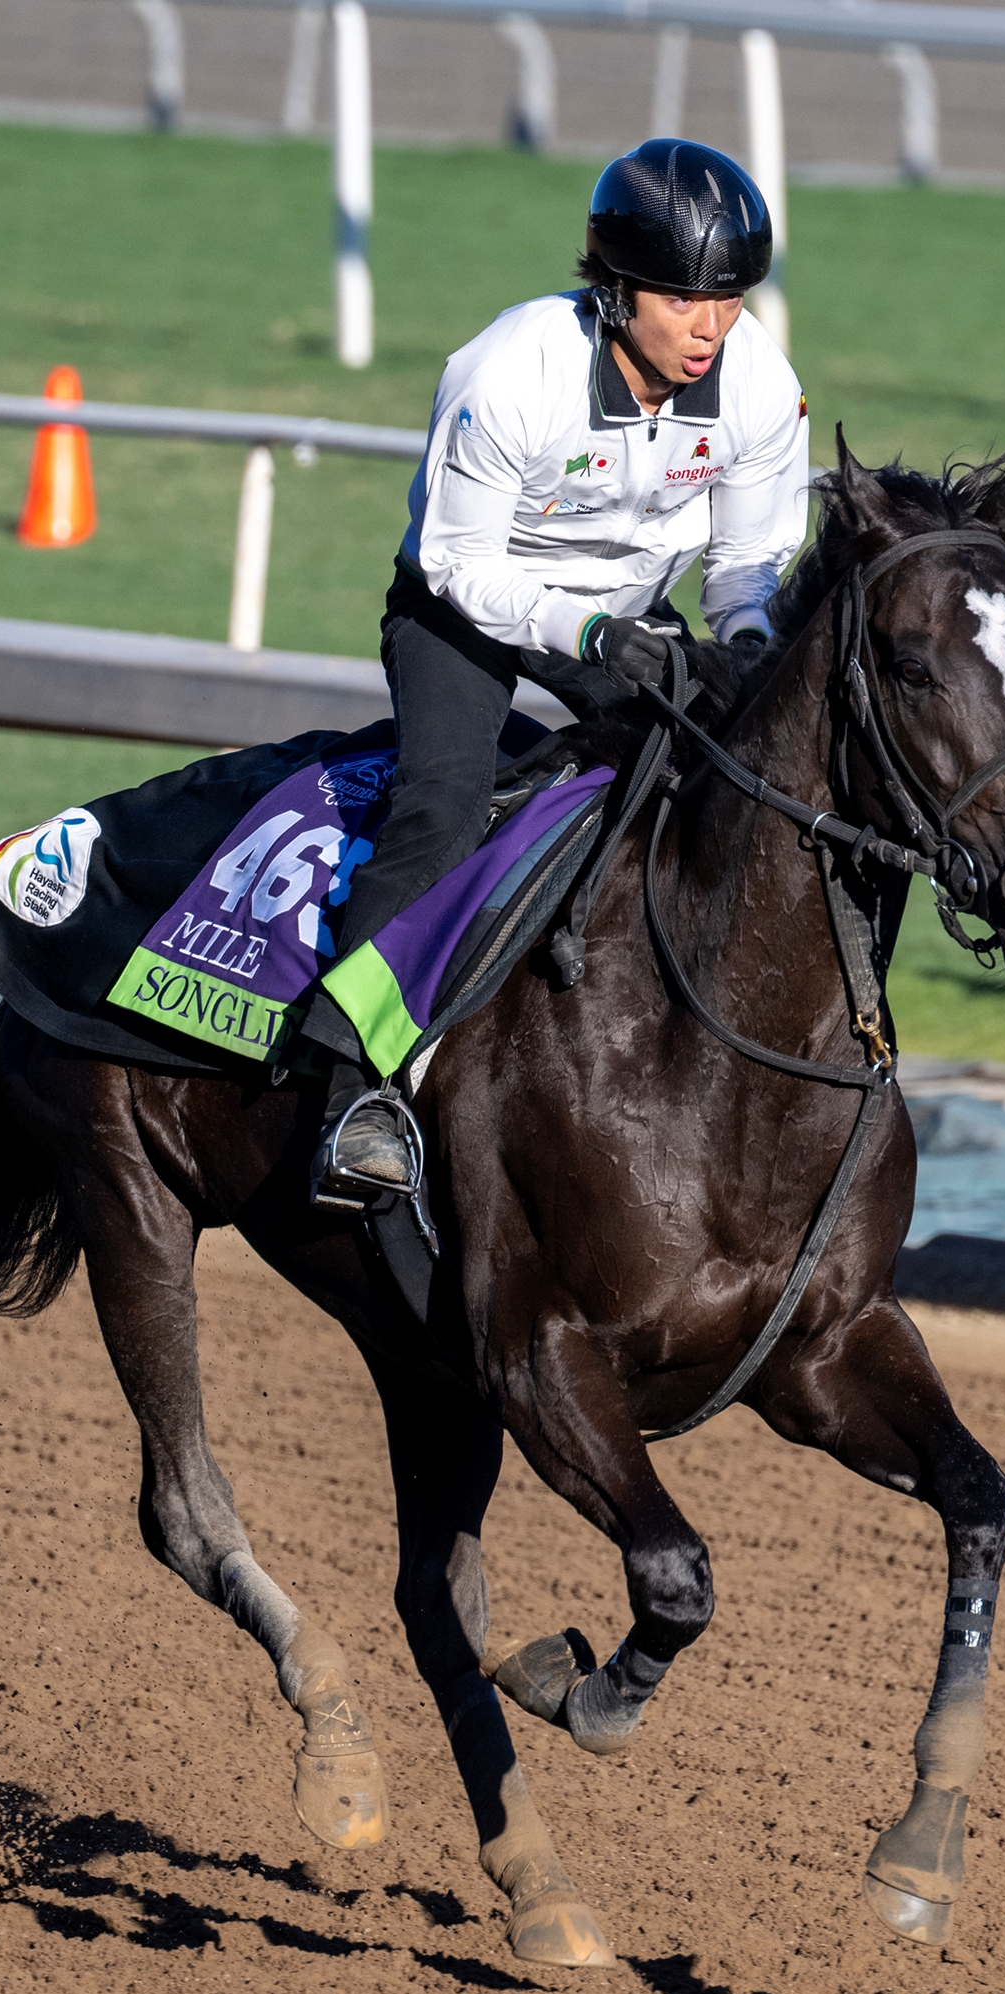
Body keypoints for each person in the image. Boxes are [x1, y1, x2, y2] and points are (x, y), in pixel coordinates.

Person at [308, 136, 811, 1211]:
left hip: (628, 616)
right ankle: (346, 1084)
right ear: (616, 289)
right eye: (682, 300)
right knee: (441, 812)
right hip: (463, 611)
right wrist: (586, 636)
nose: (710, 327)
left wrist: (752, 648)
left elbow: (744, 568)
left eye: (727, 299)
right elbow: (455, 564)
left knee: (734, 783)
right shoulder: (507, 373)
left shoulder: (760, 383)